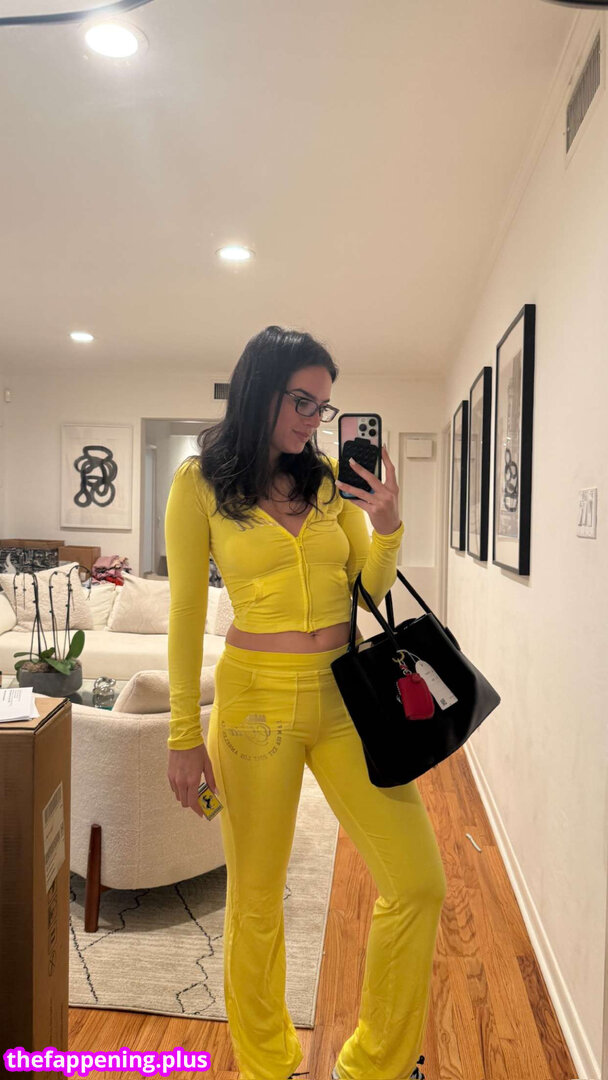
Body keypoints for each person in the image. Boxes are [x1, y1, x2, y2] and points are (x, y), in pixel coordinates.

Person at [165, 326, 447, 1080]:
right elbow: (185, 613)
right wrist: (182, 735)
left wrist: (387, 526)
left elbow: (369, 588)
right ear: (259, 388)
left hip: (345, 695)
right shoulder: (198, 485)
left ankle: (377, 1065)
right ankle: (268, 1064)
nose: (313, 419)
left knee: (418, 882)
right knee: (256, 899)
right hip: (253, 703)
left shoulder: (326, 483)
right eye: (301, 401)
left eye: (323, 407)